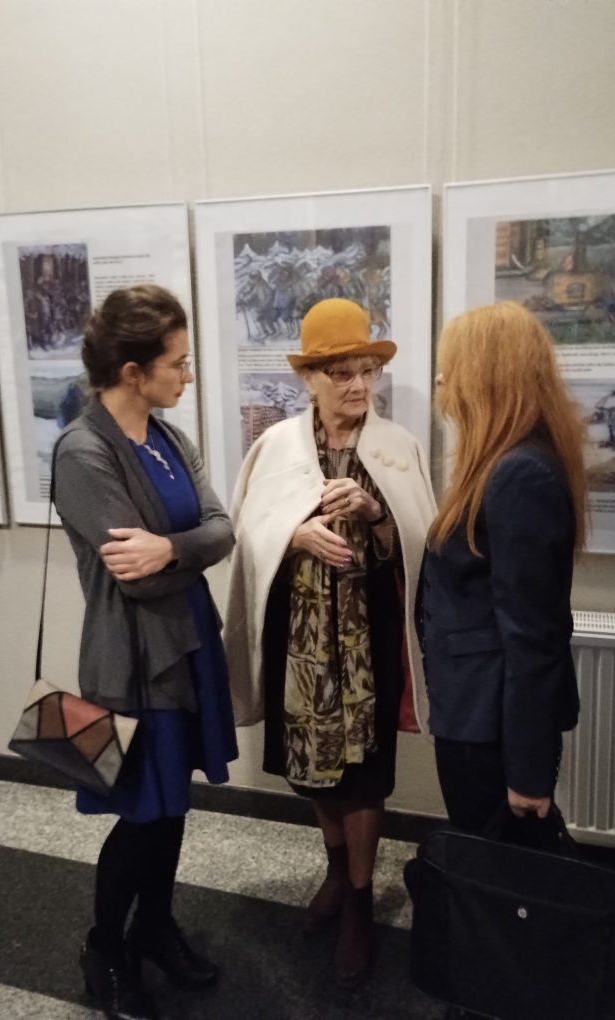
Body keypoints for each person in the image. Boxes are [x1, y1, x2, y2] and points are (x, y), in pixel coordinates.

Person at [224, 298, 435, 987]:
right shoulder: (277, 446)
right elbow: (246, 531)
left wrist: (375, 514)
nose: (357, 385)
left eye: (366, 371)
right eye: (340, 373)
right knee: (312, 765)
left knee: (364, 771)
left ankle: (360, 902)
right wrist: (292, 533)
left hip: (369, 642)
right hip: (301, 641)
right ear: (308, 378)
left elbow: (419, 548)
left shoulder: (397, 448)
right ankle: (336, 872)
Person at [53, 284, 238, 1020]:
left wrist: (169, 548)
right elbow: (137, 581)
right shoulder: (83, 451)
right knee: (140, 816)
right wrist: (183, 553)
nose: (187, 375)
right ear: (133, 372)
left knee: (173, 804)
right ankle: (104, 949)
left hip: (188, 645)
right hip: (134, 663)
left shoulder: (168, 439)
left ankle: (154, 926)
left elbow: (223, 527)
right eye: (178, 363)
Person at [420, 301, 587, 839]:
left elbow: (533, 632)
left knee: (498, 870)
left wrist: (528, 773)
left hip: (491, 725)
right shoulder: (506, 460)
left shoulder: (519, 473)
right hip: (477, 712)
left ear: (489, 373)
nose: (441, 378)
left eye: (452, 365)